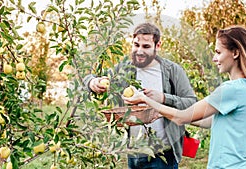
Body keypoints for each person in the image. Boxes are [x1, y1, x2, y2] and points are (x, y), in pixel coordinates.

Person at [123, 25, 246, 169]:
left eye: (218, 52)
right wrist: (160, 113)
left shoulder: (231, 90)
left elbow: (182, 117)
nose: (214, 59)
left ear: (235, 53)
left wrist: (145, 99)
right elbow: (209, 121)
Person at [83, 22, 197, 169]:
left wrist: (163, 98)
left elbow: (192, 103)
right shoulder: (124, 69)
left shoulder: (172, 71)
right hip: (134, 152)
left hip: (163, 154)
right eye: (136, 45)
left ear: (158, 46)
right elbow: (89, 79)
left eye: (146, 46)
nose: (139, 51)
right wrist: (92, 82)